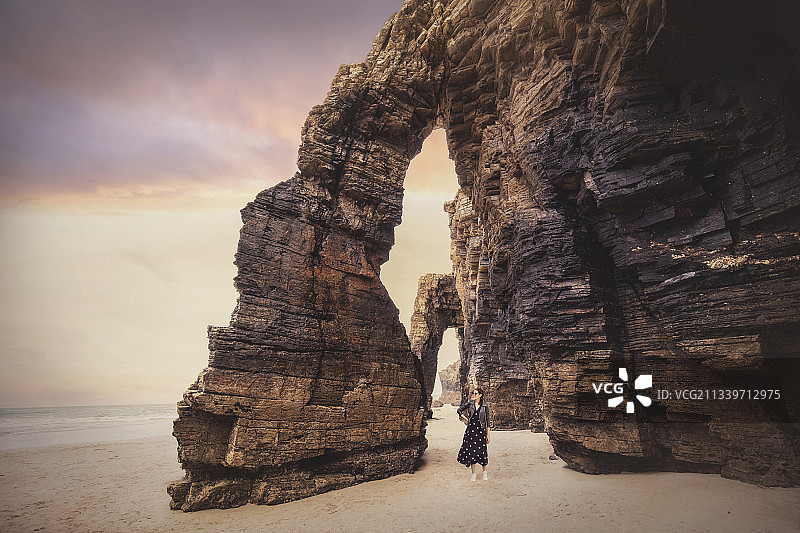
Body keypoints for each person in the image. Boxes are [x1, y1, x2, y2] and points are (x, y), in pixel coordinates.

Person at [456, 387, 490, 481]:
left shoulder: (485, 406)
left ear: (480, 395)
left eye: (476, 393)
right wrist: (467, 420)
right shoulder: (470, 404)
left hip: (480, 431)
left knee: (482, 451)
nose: (473, 395)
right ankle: (473, 474)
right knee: (471, 452)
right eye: (473, 393)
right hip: (471, 431)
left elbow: (488, 421)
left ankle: (484, 472)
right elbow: (459, 410)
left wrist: (488, 435)